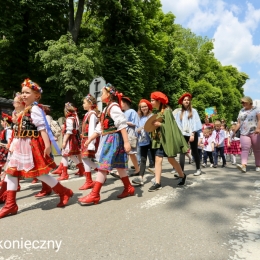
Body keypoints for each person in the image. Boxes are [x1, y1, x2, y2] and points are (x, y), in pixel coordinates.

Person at [0, 78, 73, 219]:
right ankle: (10, 205)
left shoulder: (35, 109)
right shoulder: (25, 110)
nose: (24, 95)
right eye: (22, 92)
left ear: (36, 96)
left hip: (30, 145)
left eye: (27, 92)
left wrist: (47, 146)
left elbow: (42, 128)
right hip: (21, 145)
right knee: (11, 173)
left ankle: (64, 191)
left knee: (40, 174)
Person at [78, 83, 135, 205]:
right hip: (110, 138)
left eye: (102, 93)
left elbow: (122, 124)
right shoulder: (106, 108)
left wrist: (126, 142)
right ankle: (128, 187)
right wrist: (90, 139)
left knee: (103, 165)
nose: (100, 95)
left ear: (109, 95)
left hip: (113, 139)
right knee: (119, 166)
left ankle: (95, 194)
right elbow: (100, 128)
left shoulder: (114, 107)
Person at [147, 91, 189, 192]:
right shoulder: (157, 113)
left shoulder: (167, 111)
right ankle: (157, 183)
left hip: (167, 140)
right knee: (158, 159)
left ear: (158, 101)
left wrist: (160, 125)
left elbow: (171, 128)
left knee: (171, 160)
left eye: (152, 100)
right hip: (160, 140)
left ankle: (182, 176)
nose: (151, 102)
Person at [52, 102, 84, 180]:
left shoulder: (69, 119)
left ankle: (66, 173)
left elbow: (69, 131)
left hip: (70, 139)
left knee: (66, 155)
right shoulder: (73, 118)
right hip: (73, 138)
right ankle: (80, 170)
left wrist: (64, 141)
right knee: (68, 155)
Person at [175, 93, 203, 176]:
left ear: (190, 101)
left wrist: (192, 134)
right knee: (182, 152)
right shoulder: (179, 112)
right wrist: (180, 135)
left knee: (194, 151)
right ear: (182, 102)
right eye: (185, 100)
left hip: (192, 134)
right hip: (183, 134)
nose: (186, 101)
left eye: (188, 100)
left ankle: (198, 168)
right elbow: (177, 124)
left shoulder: (194, 111)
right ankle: (181, 172)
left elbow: (196, 123)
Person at [233, 96, 260, 173]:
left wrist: (258, 128)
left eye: (244, 102)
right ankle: (243, 165)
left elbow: (259, 119)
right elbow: (239, 123)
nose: (242, 104)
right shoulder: (241, 111)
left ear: (249, 102)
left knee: (257, 149)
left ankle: (258, 165)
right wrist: (234, 131)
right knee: (245, 149)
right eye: (242, 102)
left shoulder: (256, 109)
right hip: (244, 133)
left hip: (255, 132)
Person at [78, 94, 99, 190]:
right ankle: (100, 171)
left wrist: (91, 143)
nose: (82, 104)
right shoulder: (87, 114)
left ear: (90, 104)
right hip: (85, 139)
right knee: (85, 159)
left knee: (85, 159)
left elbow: (91, 129)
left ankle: (89, 181)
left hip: (88, 139)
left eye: (84, 103)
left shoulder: (92, 115)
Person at [132, 99, 155, 185]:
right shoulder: (140, 118)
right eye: (142, 107)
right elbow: (137, 128)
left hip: (152, 140)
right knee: (143, 159)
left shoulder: (152, 116)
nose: (143, 108)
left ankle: (157, 177)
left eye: (145, 106)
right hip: (143, 141)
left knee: (154, 158)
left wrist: (143, 128)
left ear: (148, 107)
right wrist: (138, 130)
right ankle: (141, 178)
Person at [121, 96, 140, 176]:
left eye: (121, 102)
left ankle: (124, 171)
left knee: (130, 152)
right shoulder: (123, 112)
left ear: (125, 103)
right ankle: (136, 169)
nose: (120, 104)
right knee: (128, 153)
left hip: (130, 133)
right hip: (125, 133)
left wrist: (124, 122)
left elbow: (135, 123)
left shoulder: (132, 111)